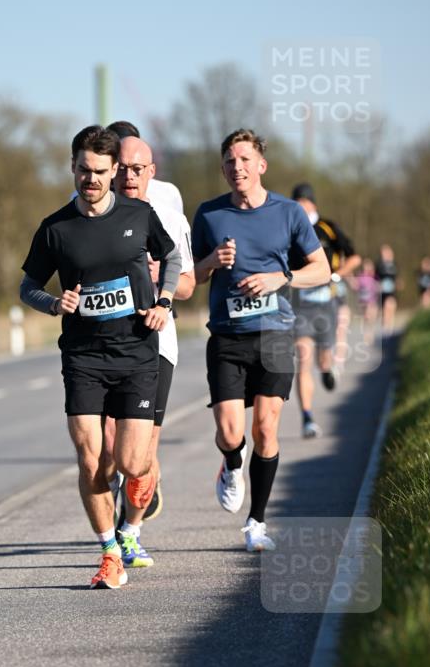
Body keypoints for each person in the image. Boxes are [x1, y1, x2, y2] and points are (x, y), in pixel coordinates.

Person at [20, 125, 181, 589]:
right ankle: (109, 551)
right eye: (83, 170)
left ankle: (132, 523)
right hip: (84, 357)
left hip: (135, 353)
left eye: (100, 172)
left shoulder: (139, 213)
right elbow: (27, 286)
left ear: (114, 172)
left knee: (132, 463)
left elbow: (170, 259)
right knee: (92, 460)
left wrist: (164, 302)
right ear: (72, 167)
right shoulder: (55, 228)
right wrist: (53, 304)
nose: (91, 179)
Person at [192, 129, 330, 551]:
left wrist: (281, 278)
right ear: (223, 168)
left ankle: (256, 523)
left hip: (275, 333)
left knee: (266, 428)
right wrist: (212, 261)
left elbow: (322, 270)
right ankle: (231, 464)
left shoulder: (289, 213)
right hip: (228, 337)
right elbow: (189, 279)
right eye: (231, 162)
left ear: (261, 165)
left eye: (246, 160)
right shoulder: (209, 214)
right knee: (232, 433)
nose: (238, 168)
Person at [104, 136, 195, 570]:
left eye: (136, 167)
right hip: (102, 344)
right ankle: (111, 532)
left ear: (150, 170)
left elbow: (189, 282)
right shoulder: (90, 210)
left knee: (142, 452)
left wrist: (163, 285)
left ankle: (130, 532)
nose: (127, 175)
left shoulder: (168, 216)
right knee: (106, 448)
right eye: (120, 167)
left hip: (156, 342)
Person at [290, 183, 361, 439]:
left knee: (322, 359)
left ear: (312, 204)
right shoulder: (289, 227)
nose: (298, 207)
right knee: (303, 357)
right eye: (294, 202)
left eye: (302, 202)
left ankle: (328, 369)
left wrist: (336, 276)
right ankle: (307, 417)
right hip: (299, 304)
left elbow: (354, 257)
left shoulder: (328, 227)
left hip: (326, 302)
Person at [107, 121, 184, 215]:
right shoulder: (94, 199)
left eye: (137, 169)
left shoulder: (168, 193)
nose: (128, 176)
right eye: (121, 167)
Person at [375, 244, 399, 332]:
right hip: (383, 291)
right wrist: (378, 284)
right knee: (385, 309)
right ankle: (385, 327)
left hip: (391, 290)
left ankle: (390, 327)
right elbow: (375, 277)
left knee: (391, 306)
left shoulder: (394, 264)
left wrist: (397, 283)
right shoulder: (379, 265)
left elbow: (396, 276)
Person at [355, 259, 380, 343]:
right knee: (367, 317)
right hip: (364, 301)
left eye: (369, 266)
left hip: (373, 299)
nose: (368, 268)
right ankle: (366, 335)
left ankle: (371, 334)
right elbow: (356, 287)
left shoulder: (374, 276)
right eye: (366, 266)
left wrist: (377, 286)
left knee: (371, 319)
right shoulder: (360, 276)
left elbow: (378, 286)